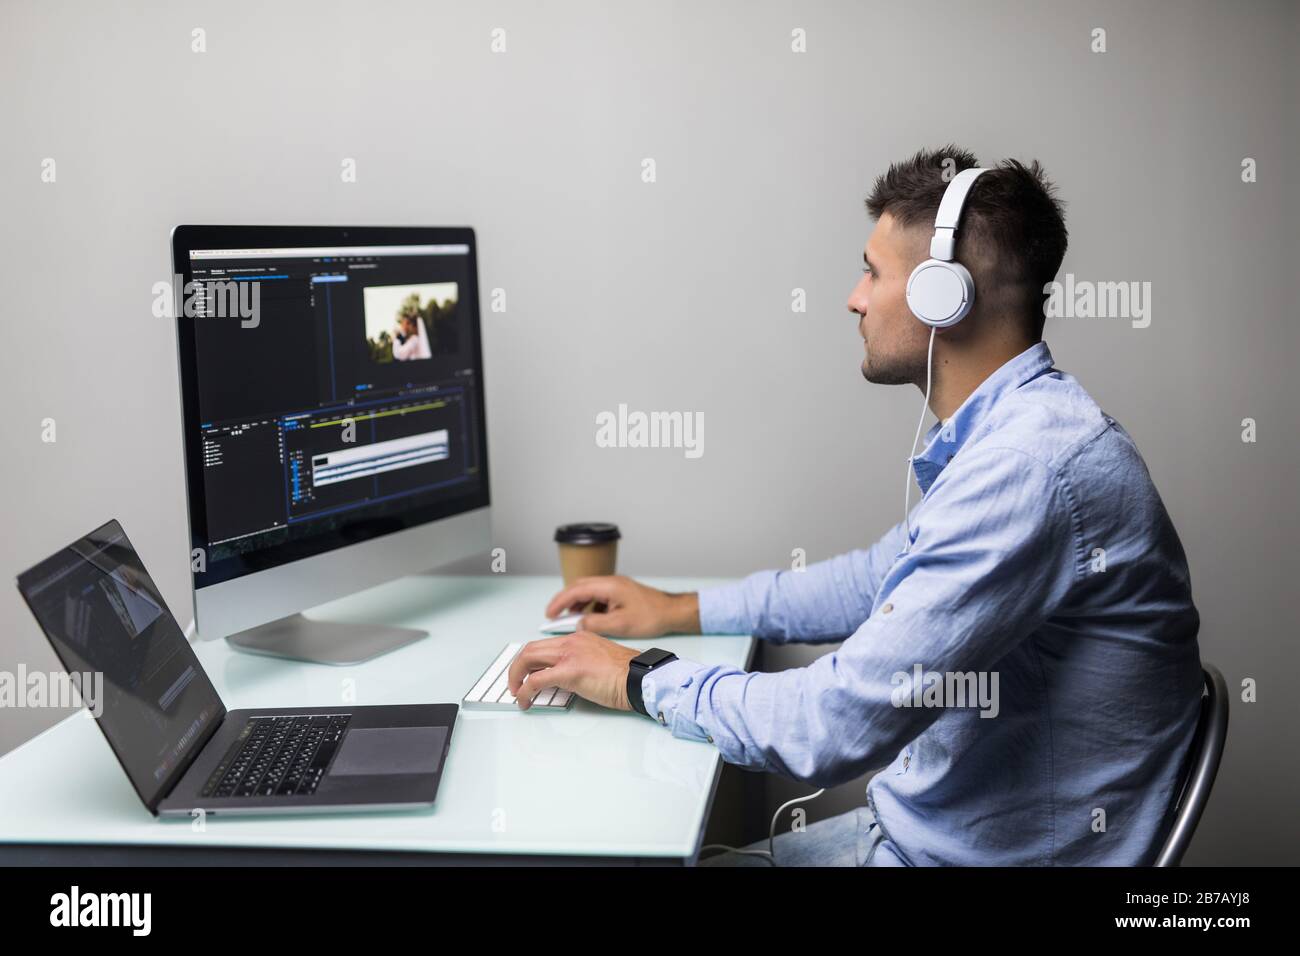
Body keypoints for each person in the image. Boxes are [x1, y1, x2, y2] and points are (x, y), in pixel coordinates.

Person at [506, 146, 1202, 866]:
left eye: (873, 273)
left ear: (945, 296)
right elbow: (876, 580)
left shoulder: (1028, 470)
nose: (854, 297)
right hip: (915, 837)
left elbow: (829, 727)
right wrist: (679, 609)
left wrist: (637, 676)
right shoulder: (1014, 435)